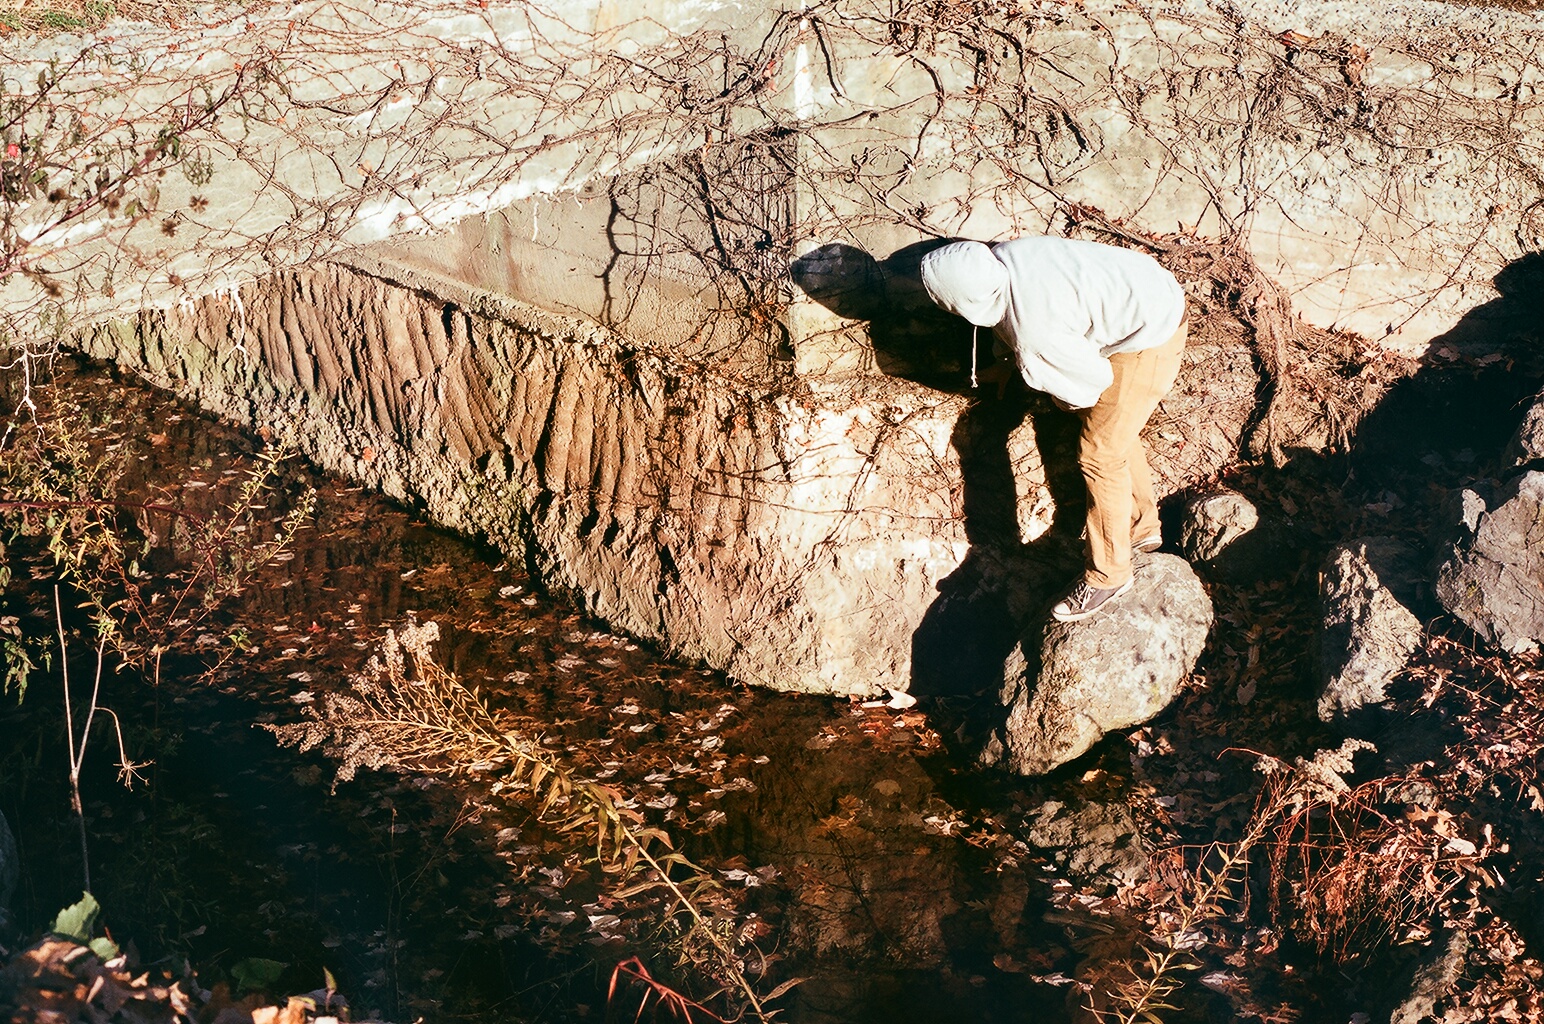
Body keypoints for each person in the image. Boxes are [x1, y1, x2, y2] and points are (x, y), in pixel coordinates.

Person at [920, 235, 1188, 623]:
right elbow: (1011, 313)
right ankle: (1140, 526)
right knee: (1112, 430)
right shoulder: (1003, 257)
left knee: (1100, 451)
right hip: (1146, 294)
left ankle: (1109, 575)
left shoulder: (1035, 331)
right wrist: (1008, 365)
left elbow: (1091, 384)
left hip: (1153, 332)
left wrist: (1049, 383)